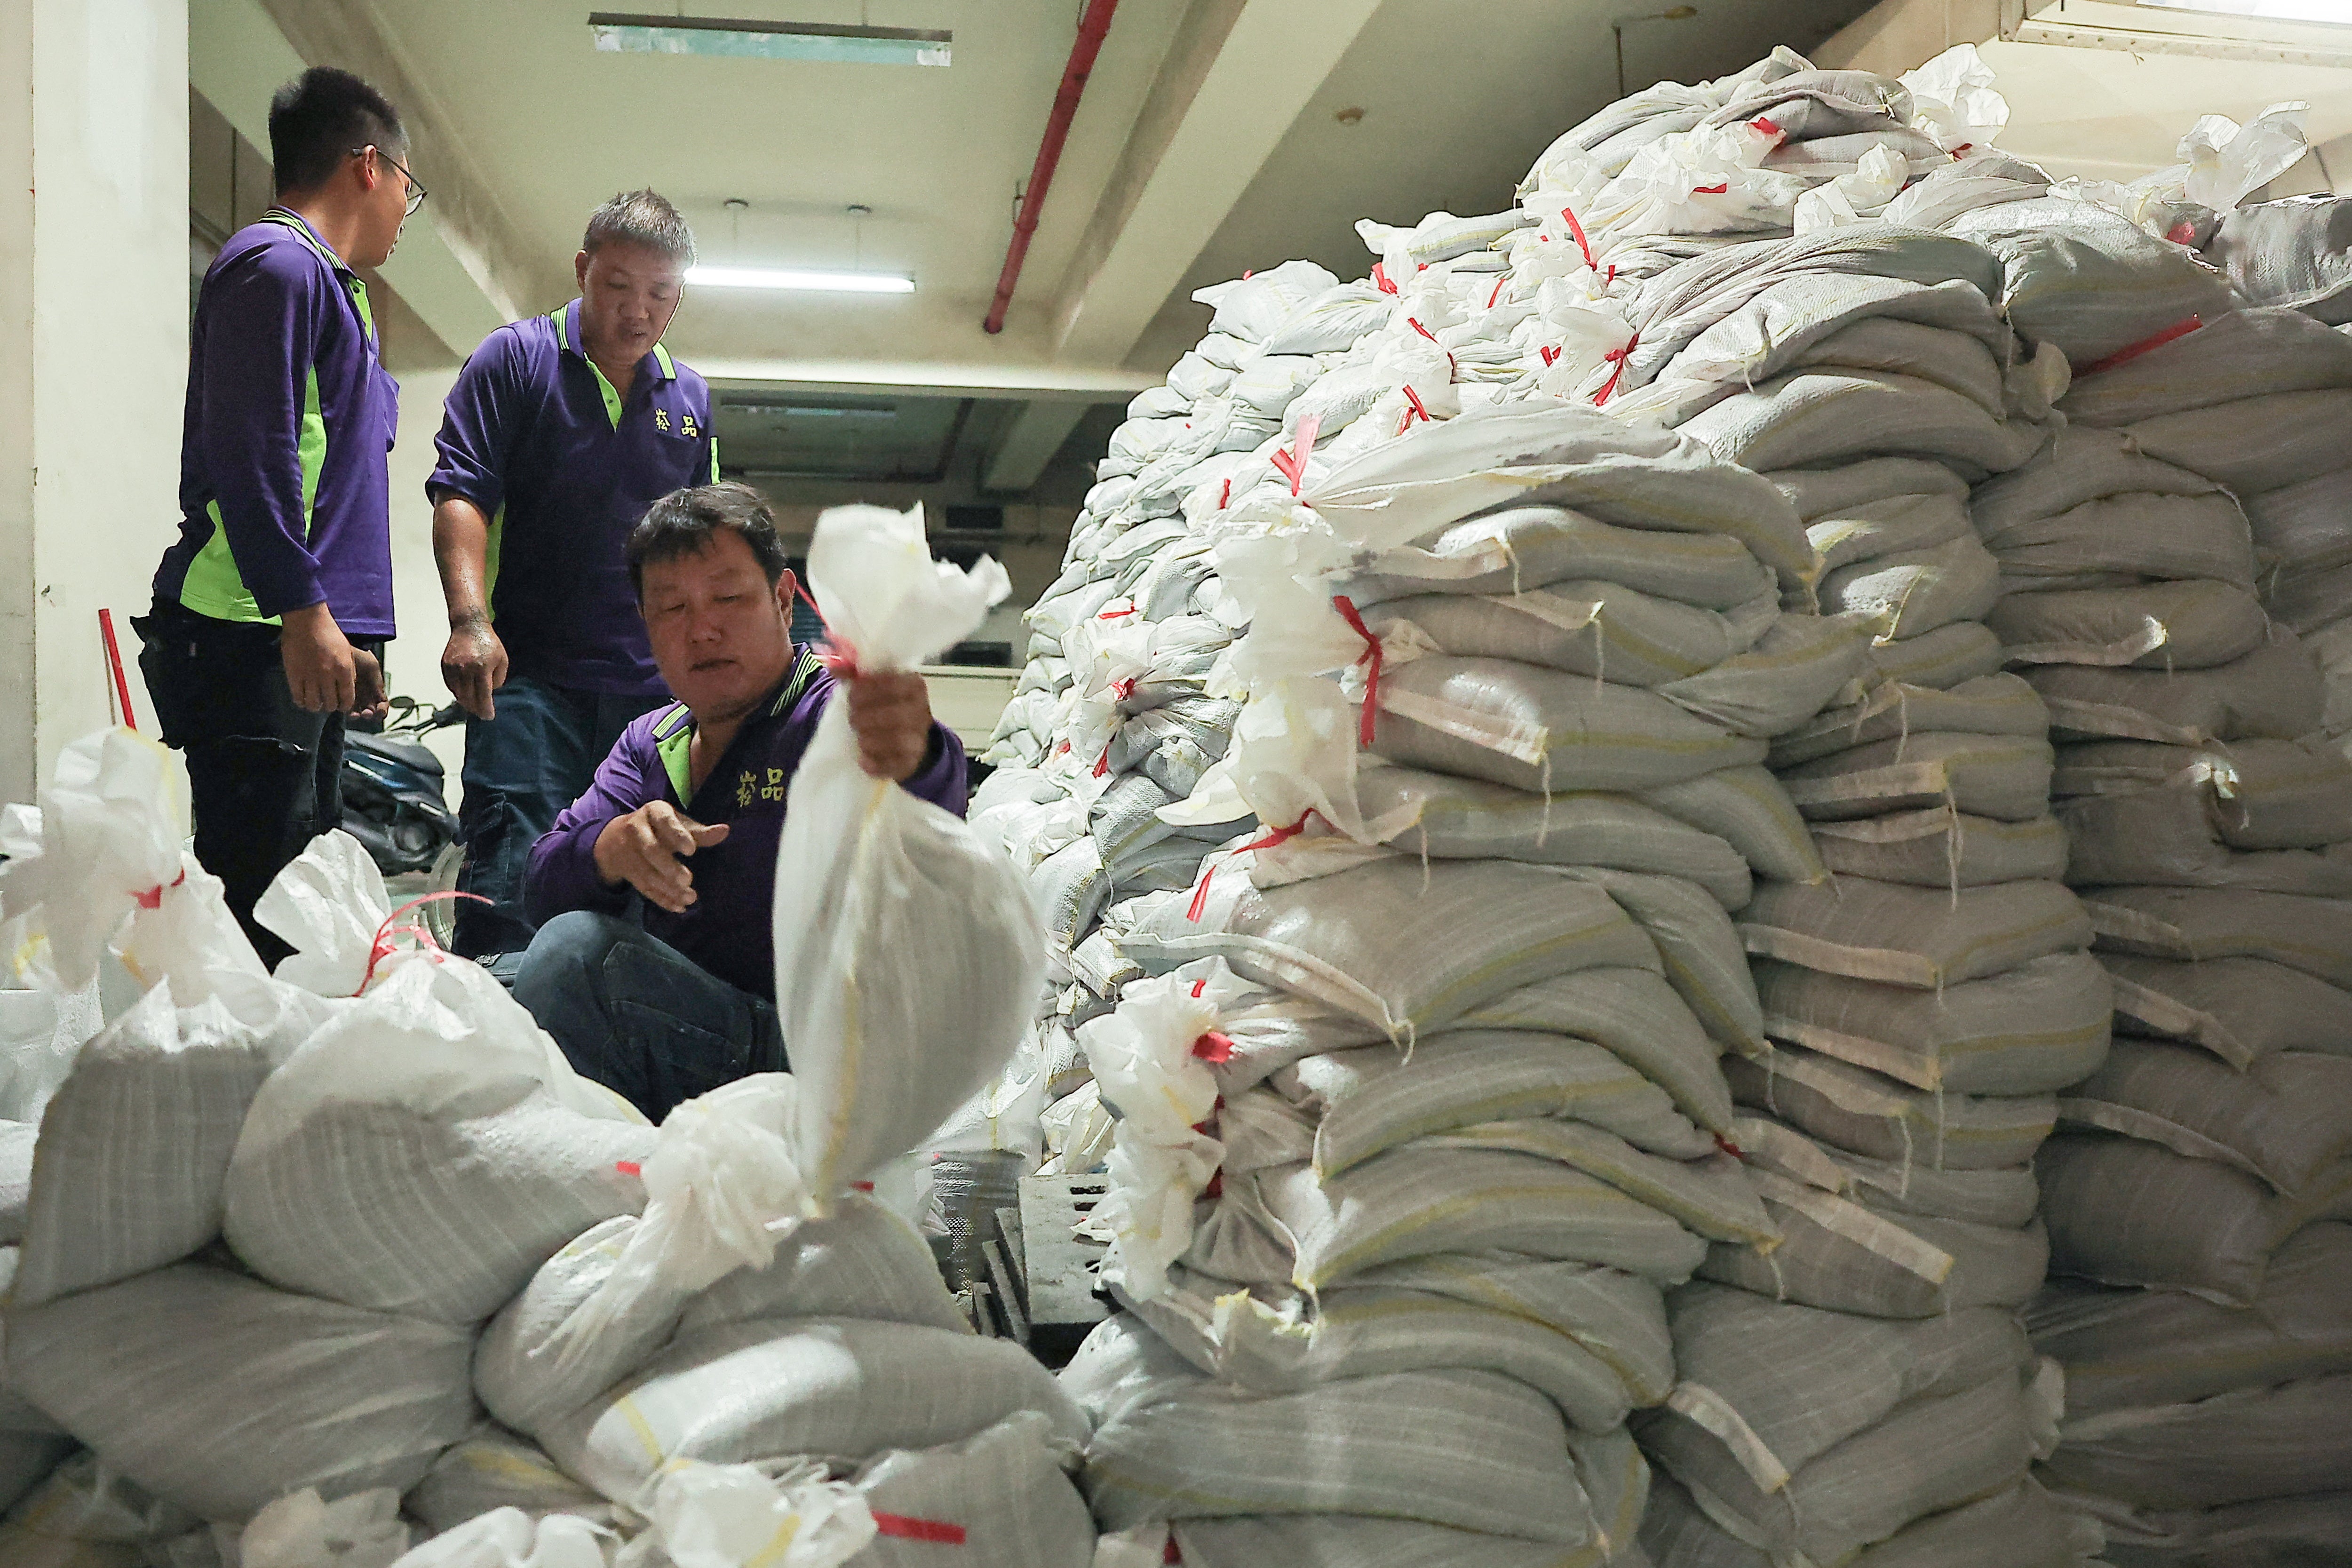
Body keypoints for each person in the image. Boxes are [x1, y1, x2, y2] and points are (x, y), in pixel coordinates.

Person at [513, 483, 963, 1122]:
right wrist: (611, 847)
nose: (702, 629)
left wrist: (917, 750)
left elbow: (931, 804)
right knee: (508, 971)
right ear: (646, 623)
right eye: (672, 607)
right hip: (697, 1033)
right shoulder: (651, 742)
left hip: (823, 1055)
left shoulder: (832, 714)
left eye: (728, 597)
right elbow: (540, 882)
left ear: (783, 601)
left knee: (575, 962)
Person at [138, 67, 413, 963]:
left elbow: (339, 478)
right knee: (261, 916)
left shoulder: (340, 291)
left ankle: (286, 1099)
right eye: (411, 184)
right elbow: (255, 454)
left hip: (307, 634)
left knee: (309, 913)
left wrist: (355, 632)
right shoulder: (276, 267)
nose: (409, 207)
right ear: (369, 168)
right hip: (250, 632)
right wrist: (304, 614)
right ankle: (229, 1100)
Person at [426, 190, 718, 959]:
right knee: (512, 885)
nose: (638, 312)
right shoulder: (517, 360)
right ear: (584, 271)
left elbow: (705, 543)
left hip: (650, 702)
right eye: (619, 287)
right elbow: (462, 494)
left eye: (660, 294)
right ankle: (495, 1067)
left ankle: (602, 1070)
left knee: (639, 897)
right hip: (528, 687)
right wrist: (469, 622)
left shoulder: (688, 400)